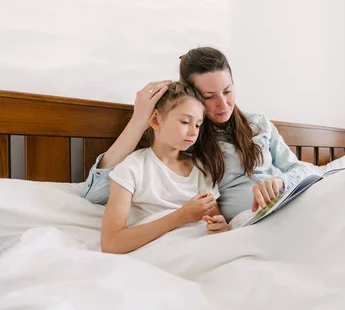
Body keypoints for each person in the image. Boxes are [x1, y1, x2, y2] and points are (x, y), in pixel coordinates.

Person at [83, 47, 312, 221]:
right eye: (209, 96)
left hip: (291, 200)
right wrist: (138, 120)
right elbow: (96, 194)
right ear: (193, 95)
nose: (223, 104)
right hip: (258, 219)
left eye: (227, 91)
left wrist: (281, 181)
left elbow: (303, 169)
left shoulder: (258, 123)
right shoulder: (185, 138)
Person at [101, 82, 227, 254]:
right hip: (160, 251)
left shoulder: (202, 170)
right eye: (185, 122)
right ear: (155, 120)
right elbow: (111, 243)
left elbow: (215, 221)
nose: (193, 132)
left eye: (198, 125)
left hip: (200, 248)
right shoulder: (131, 168)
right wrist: (181, 216)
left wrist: (220, 226)